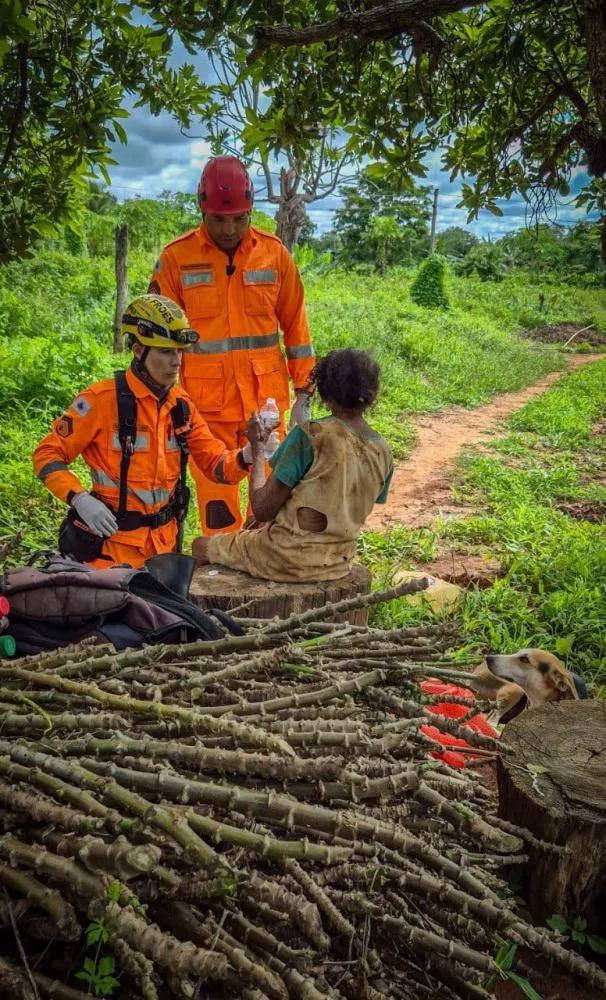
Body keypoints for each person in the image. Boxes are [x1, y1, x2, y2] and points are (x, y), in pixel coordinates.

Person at [33, 294, 271, 570]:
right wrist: (79, 498)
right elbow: (46, 453)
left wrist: (247, 455)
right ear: (138, 350)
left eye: (180, 351)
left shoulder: (181, 406)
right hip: (110, 554)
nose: (177, 362)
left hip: (163, 550)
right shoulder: (102, 400)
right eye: (166, 351)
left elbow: (215, 465)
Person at [148, 154, 315, 536]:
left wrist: (304, 393)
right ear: (202, 210)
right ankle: (222, 588)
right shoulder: (176, 260)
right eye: (219, 219)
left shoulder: (275, 255)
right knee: (219, 520)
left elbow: (297, 331)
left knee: (271, 514)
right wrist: (161, 403)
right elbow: (155, 341)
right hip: (205, 414)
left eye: (239, 218)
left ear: (251, 210)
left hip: (267, 408)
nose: (229, 229)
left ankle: (269, 587)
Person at [192, 348, 394, 583]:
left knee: (200, 545)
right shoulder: (383, 451)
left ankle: (189, 616)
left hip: (284, 559)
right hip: (338, 563)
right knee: (253, 527)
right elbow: (335, 500)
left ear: (325, 393)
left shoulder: (310, 436)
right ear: (371, 394)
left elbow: (262, 509)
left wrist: (257, 450)